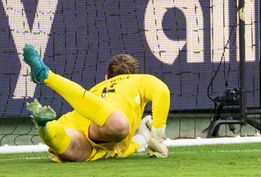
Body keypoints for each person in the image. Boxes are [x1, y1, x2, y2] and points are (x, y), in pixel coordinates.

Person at [21, 46, 169, 162]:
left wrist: (145, 137)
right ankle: (46, 75)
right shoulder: (141, 80)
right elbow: (162, 90)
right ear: (135, 74)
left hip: (82, 129)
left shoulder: (96, 89)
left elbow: (127, 148)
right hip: (105, 125)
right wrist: (156, 137)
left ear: (106, 77)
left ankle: (45, 127)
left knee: (72, 152)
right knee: (119, 124)